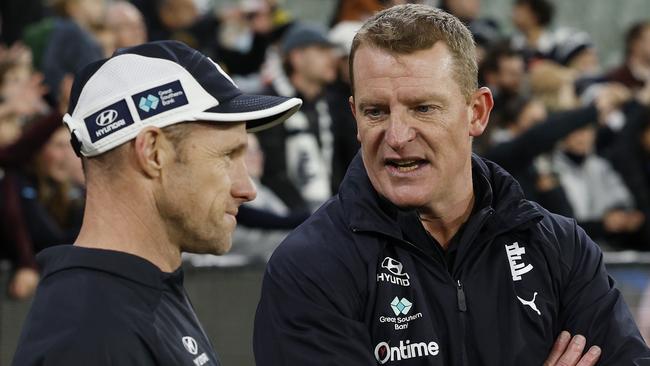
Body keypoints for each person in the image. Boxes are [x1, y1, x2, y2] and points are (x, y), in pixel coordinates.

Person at [253, 4, 650, 365]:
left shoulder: (560, 248)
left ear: (477, 113)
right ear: (355, 116)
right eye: (376, 111)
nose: (396, 135)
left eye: (423, 108)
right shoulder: (308, 268)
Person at [12, 40, 302, 365]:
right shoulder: (91, 336)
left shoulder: (135, 292)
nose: (247, 189)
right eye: (226, 156)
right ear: (152, 153)